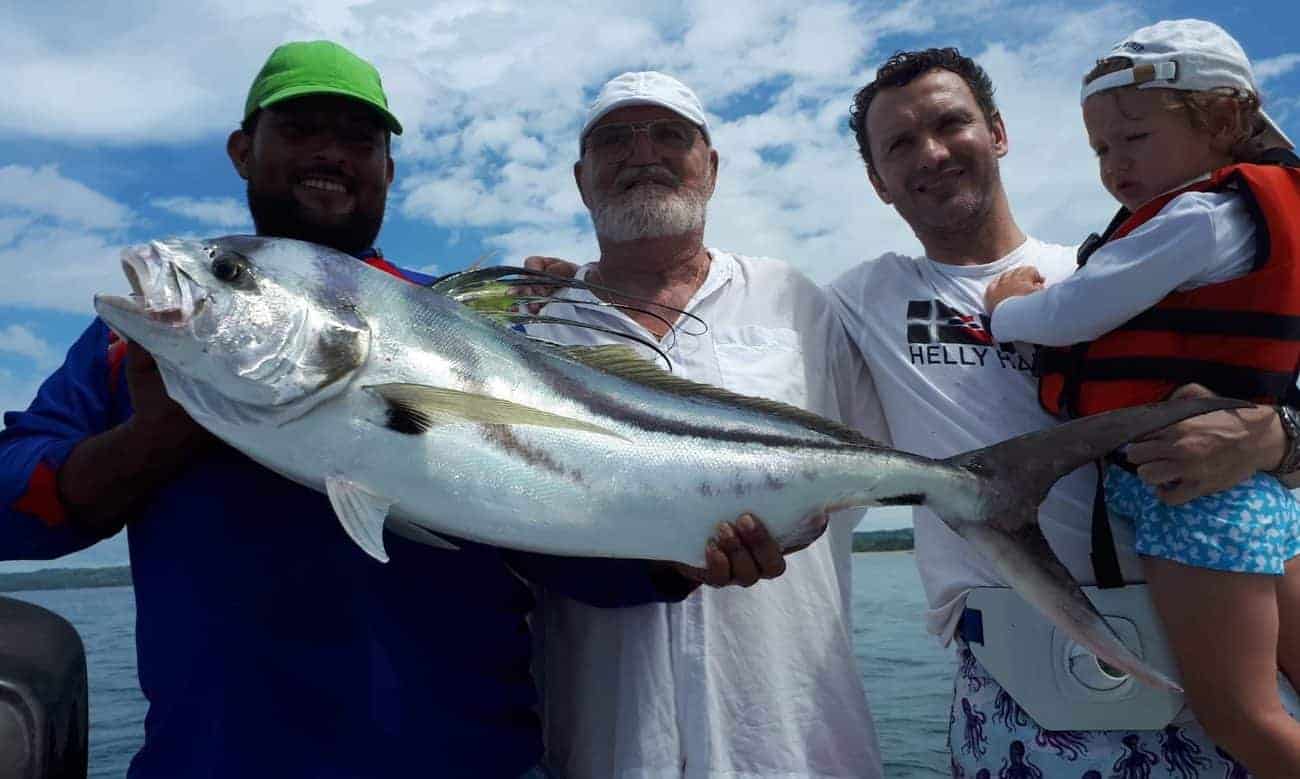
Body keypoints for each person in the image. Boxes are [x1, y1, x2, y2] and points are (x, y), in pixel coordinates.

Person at [0, 42, 785, 779]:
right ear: (244, 150)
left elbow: (550, 530)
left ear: (388, 167)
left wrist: (675, 557)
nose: (331, 154)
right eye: (301, 128)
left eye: (359, 139)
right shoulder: (149, 335)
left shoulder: (474, 329)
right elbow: (14, 507)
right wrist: (152, 440)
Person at [832, 44, 1300, 776]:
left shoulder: (1128, 266)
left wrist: (1277, 438)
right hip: (1019, 701)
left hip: (1212, 662)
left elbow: (1273, 382)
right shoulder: (856, 303)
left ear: (997, 132)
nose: (931, 152)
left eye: (951, 124)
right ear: (877, 181)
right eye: (899, 143)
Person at [525, 71, 891, 778]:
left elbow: (880, 464)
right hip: (606, 743)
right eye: (614, 140)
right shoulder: (535, 330)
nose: (643, 154)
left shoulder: (796, 300)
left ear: (712, 166)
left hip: (799, 746)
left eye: (670, 135)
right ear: (581, 178)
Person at [983, 19, 1300, 775]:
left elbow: (1073, 314)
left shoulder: (1196, 217)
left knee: (1241, 715)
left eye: (1135, 138)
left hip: (1198, 506)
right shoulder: (1235, 218)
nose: (1114, 164)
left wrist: (1003, 307)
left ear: (1224, 120)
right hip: (1247, 500)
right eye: (1100, 149)